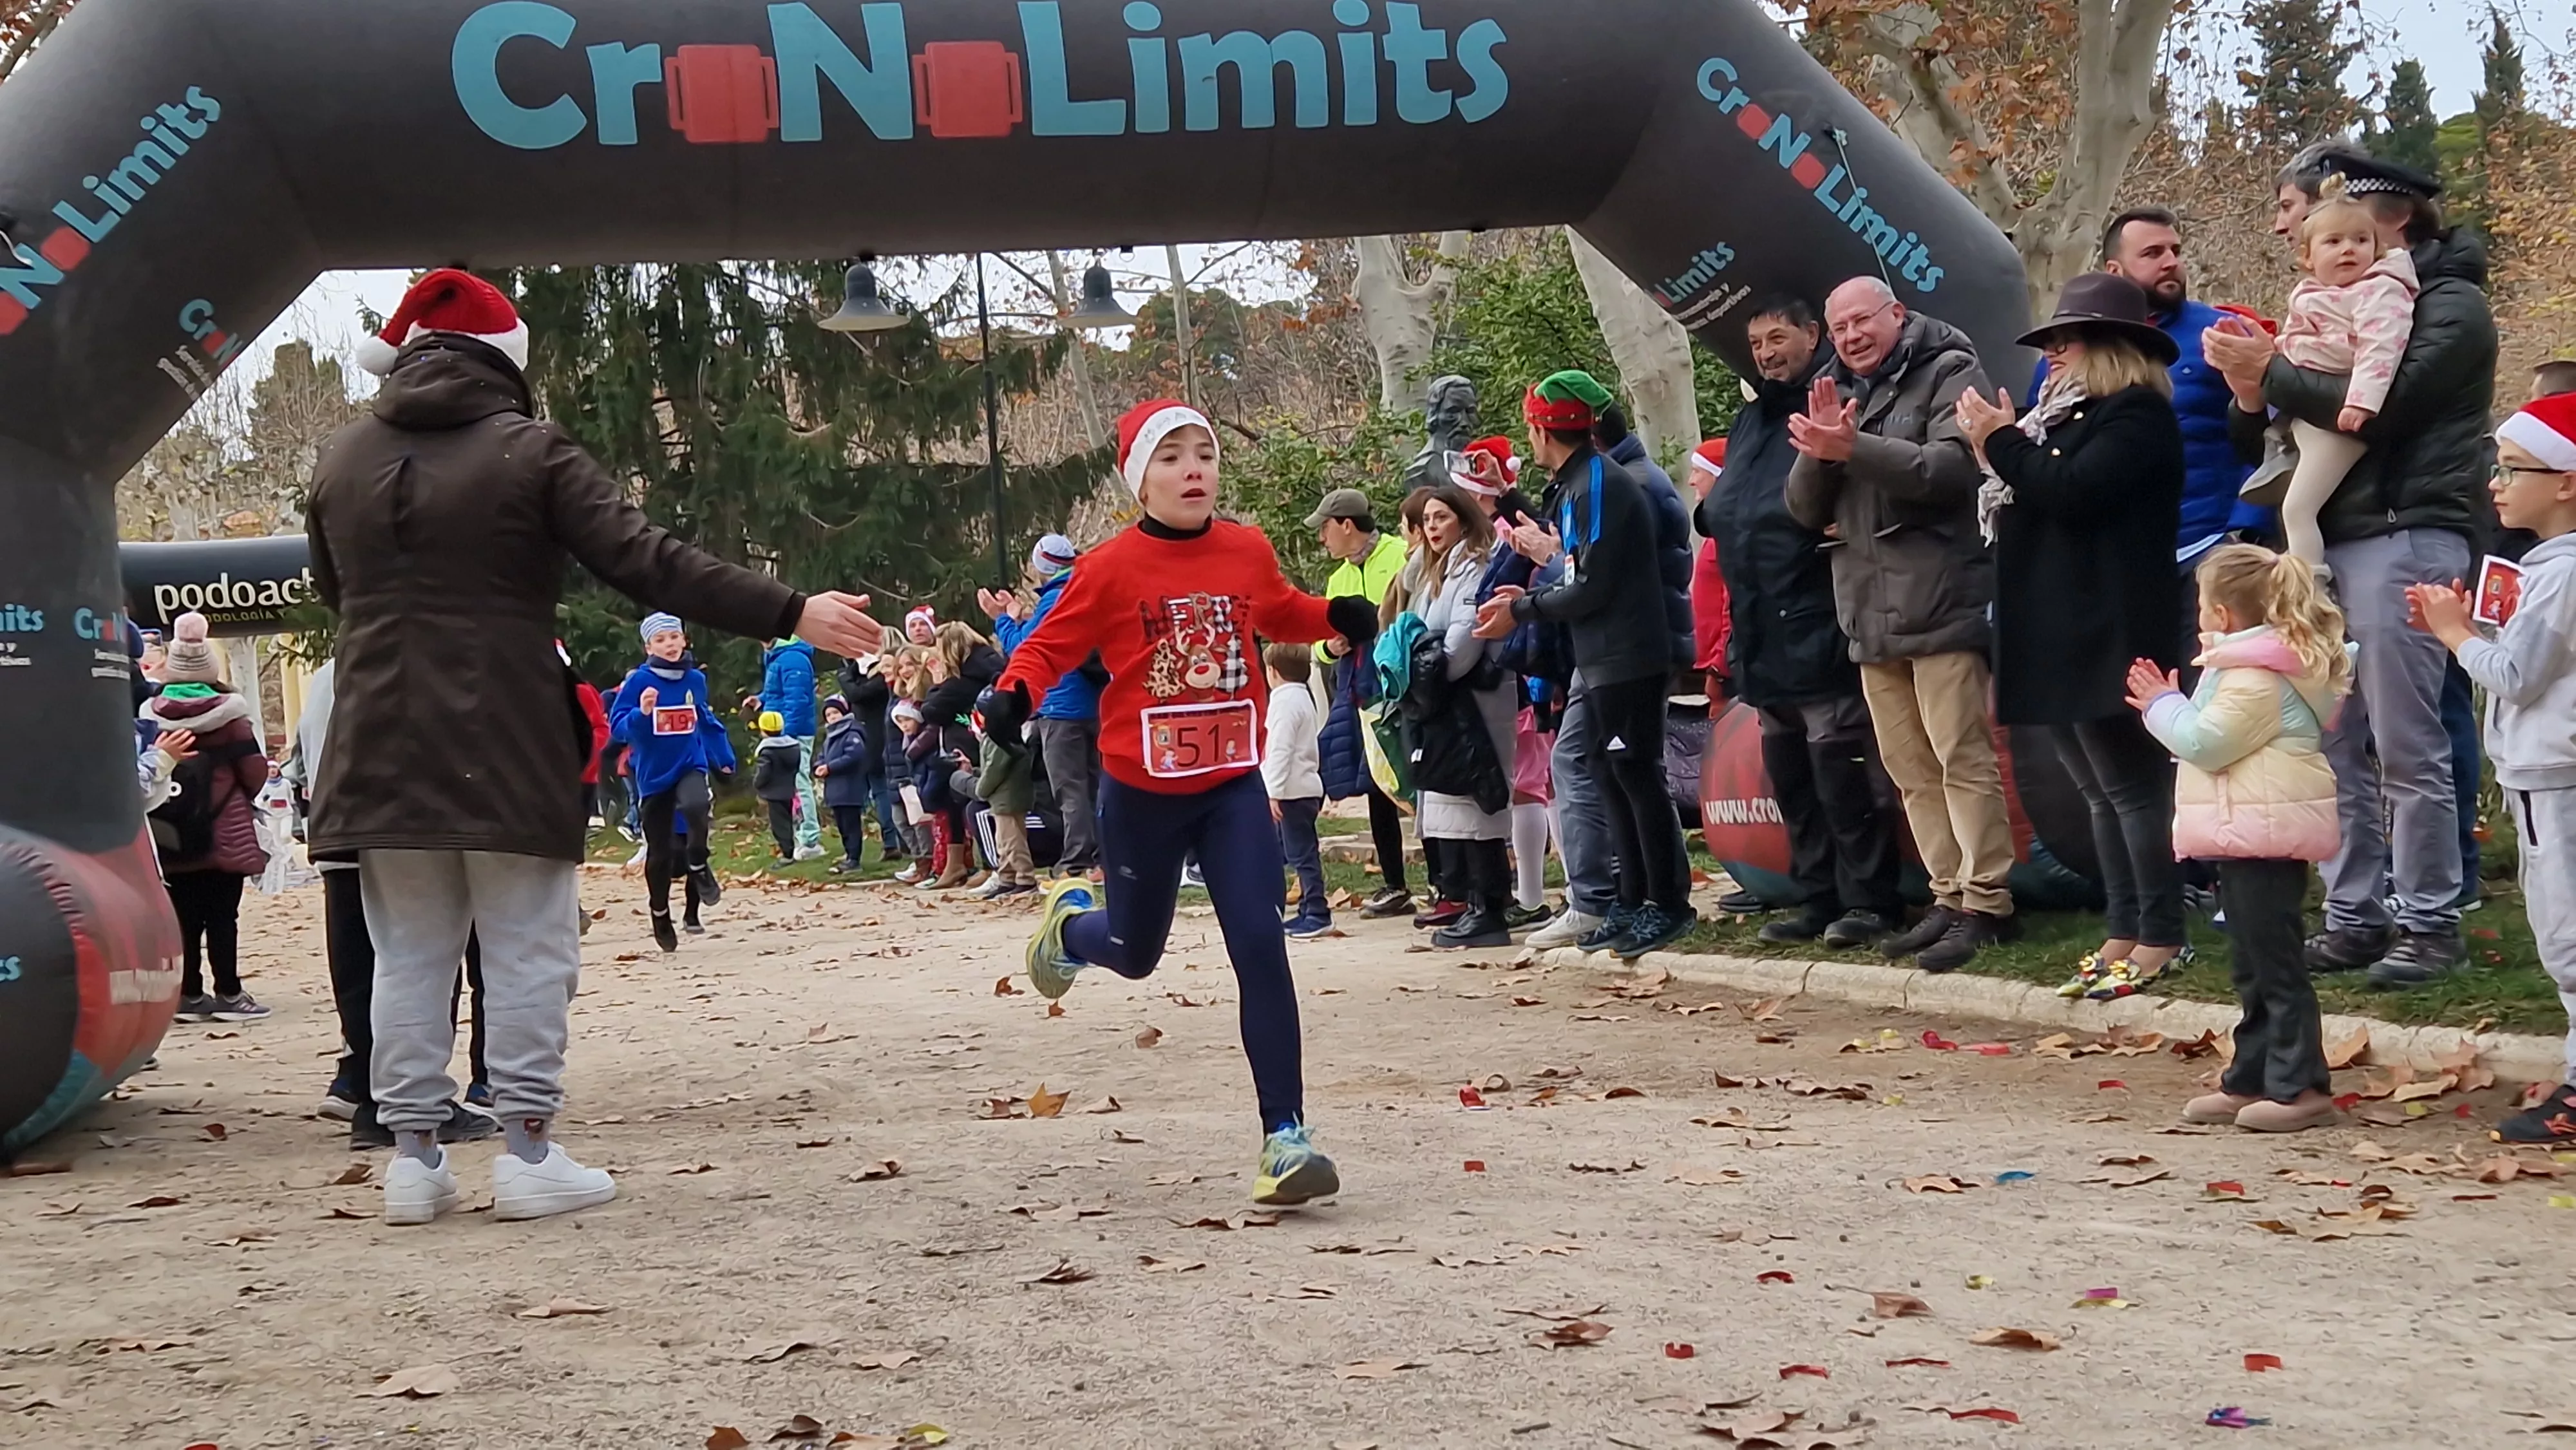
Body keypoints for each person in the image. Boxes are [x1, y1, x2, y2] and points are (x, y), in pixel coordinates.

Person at [310, 269, 886, 1226]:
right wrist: (789, 609)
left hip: (375, 731)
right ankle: (527, 1149)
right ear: (508, 359)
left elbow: (336, 591)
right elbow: (646, 559)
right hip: (504, 729)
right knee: (527, 943)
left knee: (406, 950)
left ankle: (413, 1159)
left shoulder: (340, 460)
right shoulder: (527, 451)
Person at [987, 399, 1380, 1206]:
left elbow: (1276, 610)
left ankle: (1285, 1137)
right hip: (1141, 793)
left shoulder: (1244, 548)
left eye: (1203, 451)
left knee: (1260, 946)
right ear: (1140, 480)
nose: (1193, 467)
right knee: (1135, 952)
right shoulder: (1107, 567)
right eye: (1171, 457)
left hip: (1233, 786)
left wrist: (1331, 616)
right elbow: (1050, 643)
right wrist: (1012, 691)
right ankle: (1071, 928)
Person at [2207, 142, 2496, 985]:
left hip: (2404, 533)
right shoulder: (2330, 300)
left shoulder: (2452, 308)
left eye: (2345, 226)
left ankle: (2429, 921)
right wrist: (2253, 388)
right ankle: (2353, 915)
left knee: (2408, 748)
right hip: (2326, 542)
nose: (2321, 238)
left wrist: (2279, 373)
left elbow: (2385, 411)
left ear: (2393, 220)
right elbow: (2257, 437)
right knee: (2333, 741)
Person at [1959, 274, 2188, 1001]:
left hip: (2113, 625)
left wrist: (1998, 441)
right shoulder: (2055, 422)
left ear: (2111, 347)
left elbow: (2070, 491)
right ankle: (2123, 924)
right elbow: (2036, 486)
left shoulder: (2137, 416)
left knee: (2131, 786)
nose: (2052, 353)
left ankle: (2161, 930)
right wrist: (2004, 446)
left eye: (2067, 339)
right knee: (2096, 788)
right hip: (2057, 625)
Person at [1786, 276, 2017, 972]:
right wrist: (1819, 451)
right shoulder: (1830, 387)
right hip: (1864, 601)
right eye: (1840, 327)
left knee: (1960, 754)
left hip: (1939, 594)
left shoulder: (1948, 367)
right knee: (1908, 768)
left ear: (1897, 314)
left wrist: (1851, 449)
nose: (1852, 336)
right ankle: (1945, 895)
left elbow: (1950, 470)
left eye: (1864, 321)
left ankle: (1988, 902)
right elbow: (1800, 509)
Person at [1700, 296, 1904, 948]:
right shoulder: (1749, 418)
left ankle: (1870, 900)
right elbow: (1729, 506)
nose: (1766, 352)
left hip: (1817, 611)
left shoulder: (1837, 399)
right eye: (1757, 341)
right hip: (1759, 620)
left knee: (1840, 772)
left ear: (1812, 336)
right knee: (1789, 773)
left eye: (1778, 337)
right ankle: (1816, 894)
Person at [1476, 371, 1696, 959]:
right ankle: (1629, 898)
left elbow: (1590, 583)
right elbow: (1576, 569)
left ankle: (1668, 902)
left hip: (1628, 655)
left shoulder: (1598, 482)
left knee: (1637, 777)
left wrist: (1519, 609)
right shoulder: (1577, 483)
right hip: (1601, 656)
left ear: (1543, 429)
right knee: (1608, 774)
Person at [2130, 544, 2351, 1132]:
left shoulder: (2255, 677)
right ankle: (2252, 1075)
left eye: (2202, 603)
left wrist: (2161, 706)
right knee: (2251, 965)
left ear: (2222, 615)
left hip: (2265, 835)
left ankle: (2300, 1084)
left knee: (2275, 965)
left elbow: (2207, 742)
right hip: (2247, 833)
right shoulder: (2242, 669)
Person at [2407, 394, 2576, 1141]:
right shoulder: (2547, 567)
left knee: (2568, 937)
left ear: (2566, 481)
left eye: (2513, 469)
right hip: (2541, 772)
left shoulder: (2563, 573)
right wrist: (2466, 626)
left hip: (2557, 772)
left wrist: (2454, 635)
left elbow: (2514, 676)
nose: (2495, 483)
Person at [291, 659, 498, 1145]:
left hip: (337, 837)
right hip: (399, 837)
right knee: (418, 968)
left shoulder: (326, 676)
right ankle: (414, 1099)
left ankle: (365, 1091)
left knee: (361, 975)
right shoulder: (409, 665)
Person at [2261, 179, 2420, 572]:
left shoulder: (2380, 291)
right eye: (2334, 242)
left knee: (2298, 509)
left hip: (2341, 419)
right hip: (2307, 413)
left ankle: (2306, 584)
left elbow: (2380, 350)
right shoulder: (2315, 292)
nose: (2349, 249)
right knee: (2292, 503)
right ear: (2308, 257)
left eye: (2361, 240)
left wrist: (2360, 402)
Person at [144, 611, 272, 1022]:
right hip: (223, 832)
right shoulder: (231, 717)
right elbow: (253, 772)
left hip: (170, 829)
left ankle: (190, 994)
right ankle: (230, 994)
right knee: (223, 916)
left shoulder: (151, 714)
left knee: (182, 916)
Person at [1405, 483, 1518, 948]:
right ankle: (1472, 902)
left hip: (1474, 698)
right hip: (1446, 701)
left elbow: (1462, 643)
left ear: (1465, 520)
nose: (1432, 528)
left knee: (1478, 798)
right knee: (1454, 801)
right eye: (1427, 520)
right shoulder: (1438, 571)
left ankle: (1491, 907)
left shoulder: (1472, 569)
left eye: (1442, 518)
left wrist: (1429, 671)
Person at [1311, 487, 1417, 919]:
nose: (1323, 539)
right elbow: (1316, 643)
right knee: (1377, 784)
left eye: (1325, 529)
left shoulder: (1399, 554)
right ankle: (1395, 884)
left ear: (1347, 526)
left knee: (1419, 781)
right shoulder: (1337, 580)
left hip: (1404, 688)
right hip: (1361, 694)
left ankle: (1452, 883)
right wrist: (1329, 648)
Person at [611, 615, 735, 948]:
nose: (669, 644)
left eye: (674, 637)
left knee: (697, 806)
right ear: (649, 647)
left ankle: (698, 861)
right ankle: (660, 912)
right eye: (661, 640)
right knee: (660, 856)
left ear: (685, 640)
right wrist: (642, 712)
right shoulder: (639, 681)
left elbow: (704, 719)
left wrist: (722, 757)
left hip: (688, 762)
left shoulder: (695, 679)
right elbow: (618, 726)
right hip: (653, 773)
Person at [991, 534, 1103, 880]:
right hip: (1094, 705)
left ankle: (1077, 859)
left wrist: (1003, 620)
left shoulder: (1053, 599)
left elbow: (1027, 649)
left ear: (1041, 565)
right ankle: (1103, 858)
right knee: (1097, 785)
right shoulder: (1086, 592)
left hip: (1059, 706)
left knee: (1069, 789)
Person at [1262, 643, 1332, 939]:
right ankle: (1305, 908)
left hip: (1291, 790)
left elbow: (1280, 749)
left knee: (1301, 854)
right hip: (1304, 787)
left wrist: (1271, 791)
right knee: (1294, 850)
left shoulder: (1283, 702)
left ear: (1273, 672)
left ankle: (1317, 911)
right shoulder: (1304, 696)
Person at [761, 634, 826, 860]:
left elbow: (797, 699)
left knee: (799, 783)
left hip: (793, 733)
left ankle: (810, 840)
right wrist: (760, 700)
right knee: (787, 785)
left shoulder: (793, 659)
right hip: (780, 732)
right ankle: (797, 837)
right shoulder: (777, 657)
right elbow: (778, 692)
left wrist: (785, 735)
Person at [817, 696, 871, 872]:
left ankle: (854, 859)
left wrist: (831, 767)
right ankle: (849, 854)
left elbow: (854, 755)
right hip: (835, 790)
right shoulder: (830, 737)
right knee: (842, 825)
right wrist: (819, 767)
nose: (833, 717)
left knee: (851, 825)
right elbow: (821, 757)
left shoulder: (852, 733)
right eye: (829, 714)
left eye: (836, 713)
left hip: (850, 788)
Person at [753, 710, 804, 863]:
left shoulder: (767, 751)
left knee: (779, 826)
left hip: (773, 793)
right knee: (788, 821)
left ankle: (787, 855)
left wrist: (757, 783)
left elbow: (764, 772)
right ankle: (791, 848)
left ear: (763, 730)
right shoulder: (793, 747)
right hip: (788, 789)